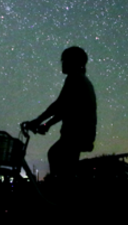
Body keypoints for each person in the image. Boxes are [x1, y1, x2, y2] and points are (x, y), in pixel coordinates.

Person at [25, 46, 97, 178]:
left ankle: (60, 193)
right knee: (63, 162)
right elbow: (67, 108)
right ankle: (62, 192)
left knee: (55, 155)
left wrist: (38, 121)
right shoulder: (80, 79)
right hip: (81, 132)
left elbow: (59, 105)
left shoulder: (74, 78)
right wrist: (47, 125)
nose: (62, 63)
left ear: (72, 62)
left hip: (76, 133)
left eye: (64, 60)